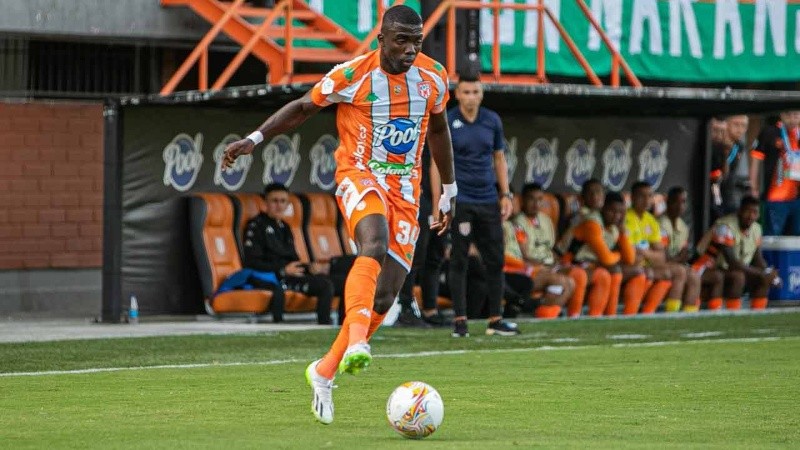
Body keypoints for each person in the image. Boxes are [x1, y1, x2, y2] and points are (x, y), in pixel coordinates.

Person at [221, 5, 456, 425]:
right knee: (374, 244)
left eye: (416, 41)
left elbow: (438, 131)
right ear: (381, 38)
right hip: (359, 174)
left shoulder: (434, 77)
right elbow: (302, 107)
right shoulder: (353, 75)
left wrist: (449, 191)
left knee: (385, 296)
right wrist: (253, 139)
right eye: (401, 40)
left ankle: (324, 371)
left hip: (406, 189)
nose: (409, 49)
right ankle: (357, 345)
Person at [446, 72, 518, 337]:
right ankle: (460, 321)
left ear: (482, 94)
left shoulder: (492, 120)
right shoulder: (449, 120)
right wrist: (443, 199)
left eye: (475, 92)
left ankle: (495, 319)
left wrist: (505, 194)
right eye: (466, 92)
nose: (470, 98)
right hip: (461, 199)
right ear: (457, 94)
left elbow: (499, 159)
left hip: (488, 198)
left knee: (495, 259)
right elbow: (438, 163)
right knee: (459, 260)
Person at [242, 183, 334, 325]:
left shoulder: (285, 227)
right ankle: (324, 326)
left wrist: (309, 267)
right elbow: (252, 262)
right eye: (275, 201)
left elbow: (293, 259)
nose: (279, 205)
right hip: (276, 277)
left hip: (293, 274)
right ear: (265, 203)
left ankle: (346, 326)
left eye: (283, 201)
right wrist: (283, 270)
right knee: (324, 285)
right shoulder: (256, 226)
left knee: (341, 280)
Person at [504, 183, 585, 319]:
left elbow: (550, 249)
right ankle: (543, 314)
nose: (536, 204)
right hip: (520, 270)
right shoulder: (517, 222)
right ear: (523, 200)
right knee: (562, 282)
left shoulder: (544, 220)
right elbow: (523, 256)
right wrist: (536, 266)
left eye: (539, 199)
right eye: (531, 199)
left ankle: (561, 315)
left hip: (540, 265)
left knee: (574, 278)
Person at [558, 191, 638, 316]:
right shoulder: (592, 223)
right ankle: (575, 315)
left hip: (590, 264)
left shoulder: (615, 227)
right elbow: (607, 259)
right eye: (612, 211)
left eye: (621, 212)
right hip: (567, 262)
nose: (616, 216)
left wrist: (622, 232)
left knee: (633, 272)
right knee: (609, 271)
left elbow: (630, 259)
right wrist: (618, 254)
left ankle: (608, 317)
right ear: (603, 208)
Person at [395, 147, 449, 327]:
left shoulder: (443, 124)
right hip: (420, 197)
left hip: (441, 197)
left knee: (435, 255)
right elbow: (434, 163)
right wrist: (436, 205)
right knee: (415, 256)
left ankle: (430, 308)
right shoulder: (422, 127)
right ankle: (405, 308)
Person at [695, 196, 778, 310]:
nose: (750, 216)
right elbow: (732, 262)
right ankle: (731, 312)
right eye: (748, 211)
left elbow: (758, 259)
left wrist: (769, 274)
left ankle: (757, 316)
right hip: (709, 267)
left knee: (763, 279)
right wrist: (761, 273)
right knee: (738, 277)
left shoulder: (756, 229)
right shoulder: (725, 226)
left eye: (755, 212)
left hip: (731, 269)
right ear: (740, 211)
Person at [625, 181, 687, 314]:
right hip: (631, 265)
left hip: (647, 264)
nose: (647, 200)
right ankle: (634, 313)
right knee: (651, 273)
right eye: (642, 196)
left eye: (649, 196)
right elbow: (631, 255)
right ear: (633, 198)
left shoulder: (651, 220)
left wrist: (644, 252)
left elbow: (661, 257)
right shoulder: (626, 217)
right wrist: (649, 254)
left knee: (679, 271)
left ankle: (668, 314)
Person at [658, 186, 714, 312]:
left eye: (683, 202)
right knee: (681, 271)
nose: (679, 206)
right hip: (659, 265)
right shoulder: (661, 223)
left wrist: (678, 258)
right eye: (675, 202)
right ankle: (671, 313)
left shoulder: (683, 227)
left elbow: (685, 253)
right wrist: (678, 259)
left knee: (694, 276)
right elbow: (664, 256)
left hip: (674, 264)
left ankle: (689, 315)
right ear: (667, 202)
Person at [749, 111, 800, 236]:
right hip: (775, 197)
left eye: (796, 115)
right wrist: (753, 187)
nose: (792, 119)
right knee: (772, 235)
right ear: (781, 115)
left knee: (796, 237)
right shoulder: (769, 132)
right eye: (789, 115)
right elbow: (756, 159)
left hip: (797, 197)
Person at [710, 115, 750, 220]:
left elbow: (728, 172)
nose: (740, 130)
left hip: (728, 191)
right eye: (736, 125)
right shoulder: (715, 144)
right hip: (712, 189)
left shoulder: (739, 146)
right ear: (727, 125)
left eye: (744, 126)